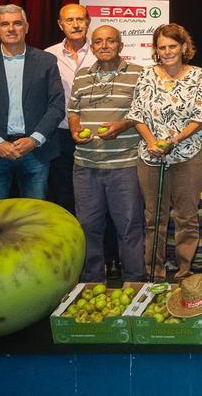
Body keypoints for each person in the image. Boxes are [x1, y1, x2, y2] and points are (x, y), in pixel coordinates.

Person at [126, 23, 202, 282]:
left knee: (187, 216)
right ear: (156, 51)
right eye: (162, 47)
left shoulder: (198, 75)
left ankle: (184, 270)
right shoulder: (146, 75)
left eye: (172, 46)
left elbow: (201, 117)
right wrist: (152, 142)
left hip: (188, 155)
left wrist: (175, 139)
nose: (167, 51)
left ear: (184, 47)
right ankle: (155, 271)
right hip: (151, 157)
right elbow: (137, 114)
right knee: (154, 217)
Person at [0, 4, 66, 202]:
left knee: (33, 218)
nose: (11, 29)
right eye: (5, 24)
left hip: (36, 151)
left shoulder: (46, 61)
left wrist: (34, 139)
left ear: (26, 27)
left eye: (17, 23)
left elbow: (57, 105)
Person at [66, 25, 146, 283]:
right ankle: (91, 284)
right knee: (88, 227)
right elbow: (73, 111)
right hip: (86, 166)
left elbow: (144, 114)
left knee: (129, 227)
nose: (104, 46)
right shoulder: (82, 76)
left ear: (120, 45)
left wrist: (122, 125)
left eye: (110, 41)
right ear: (92, 45)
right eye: (98, 41)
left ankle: (135, 283)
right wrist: (76, 130)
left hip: (125, 165)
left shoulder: (139, 74)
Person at [44, 3, 96, 216]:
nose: (75, 25)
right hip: (60, 135)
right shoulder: (48, 56)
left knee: (93, 195)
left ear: (88, 22)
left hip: (95, 135)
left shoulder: (101, 53)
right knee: (63, 193)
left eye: (80, 19)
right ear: (60, 24)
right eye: (69, 20)